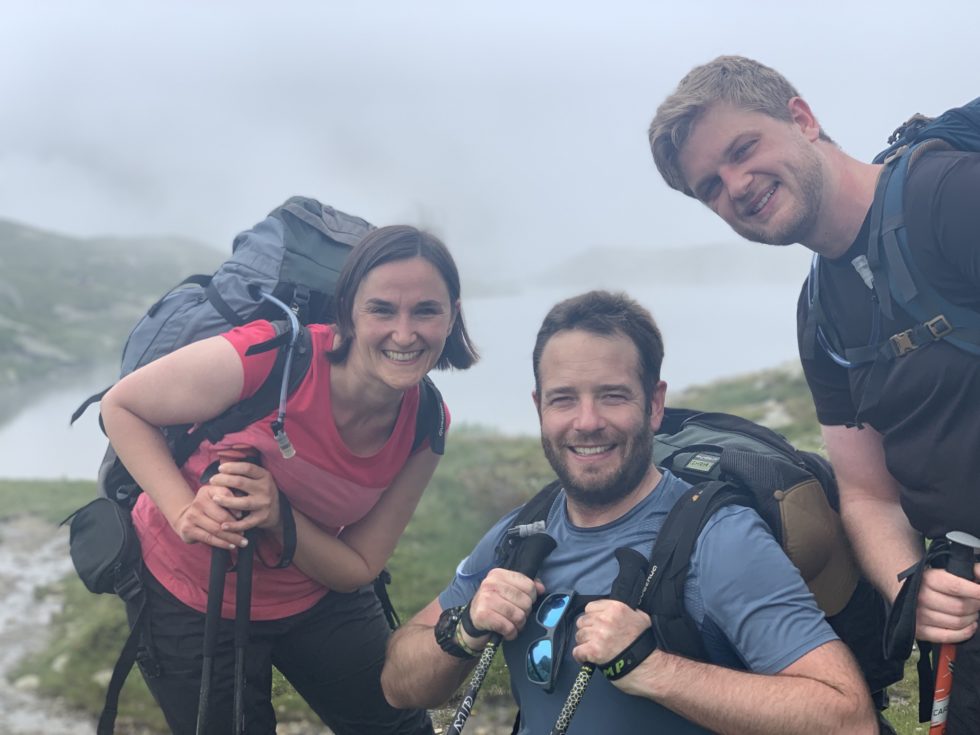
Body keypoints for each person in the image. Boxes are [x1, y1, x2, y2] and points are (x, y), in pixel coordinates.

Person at [648, 55, 980, 732]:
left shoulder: (949, 195)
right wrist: (908, 587)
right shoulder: (821, 312)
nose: (736, 186)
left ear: (801, 119)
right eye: (711, 185)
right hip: (963, 601)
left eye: (744, 150)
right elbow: (868, 493)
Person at [381, 290, 875, 734]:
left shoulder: (719, 540)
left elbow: (847, 717)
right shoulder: (519, 534)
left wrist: (654, 669)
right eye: (564, 400)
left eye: (612, 396)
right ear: (539, 408)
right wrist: (463, 629)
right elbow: (399, 684)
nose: (587, 422)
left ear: (654, 405)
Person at [100, 224, 478, 734]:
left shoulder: (427, 422)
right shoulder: (268, 359)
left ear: (452, 315)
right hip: (190, 593)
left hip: (315, 594)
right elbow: (121, 406)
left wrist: (279, 516)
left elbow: (358, 566)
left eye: (426, 311)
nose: (405, 333)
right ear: (348, 311)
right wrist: (183, 510)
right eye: (382, 309)